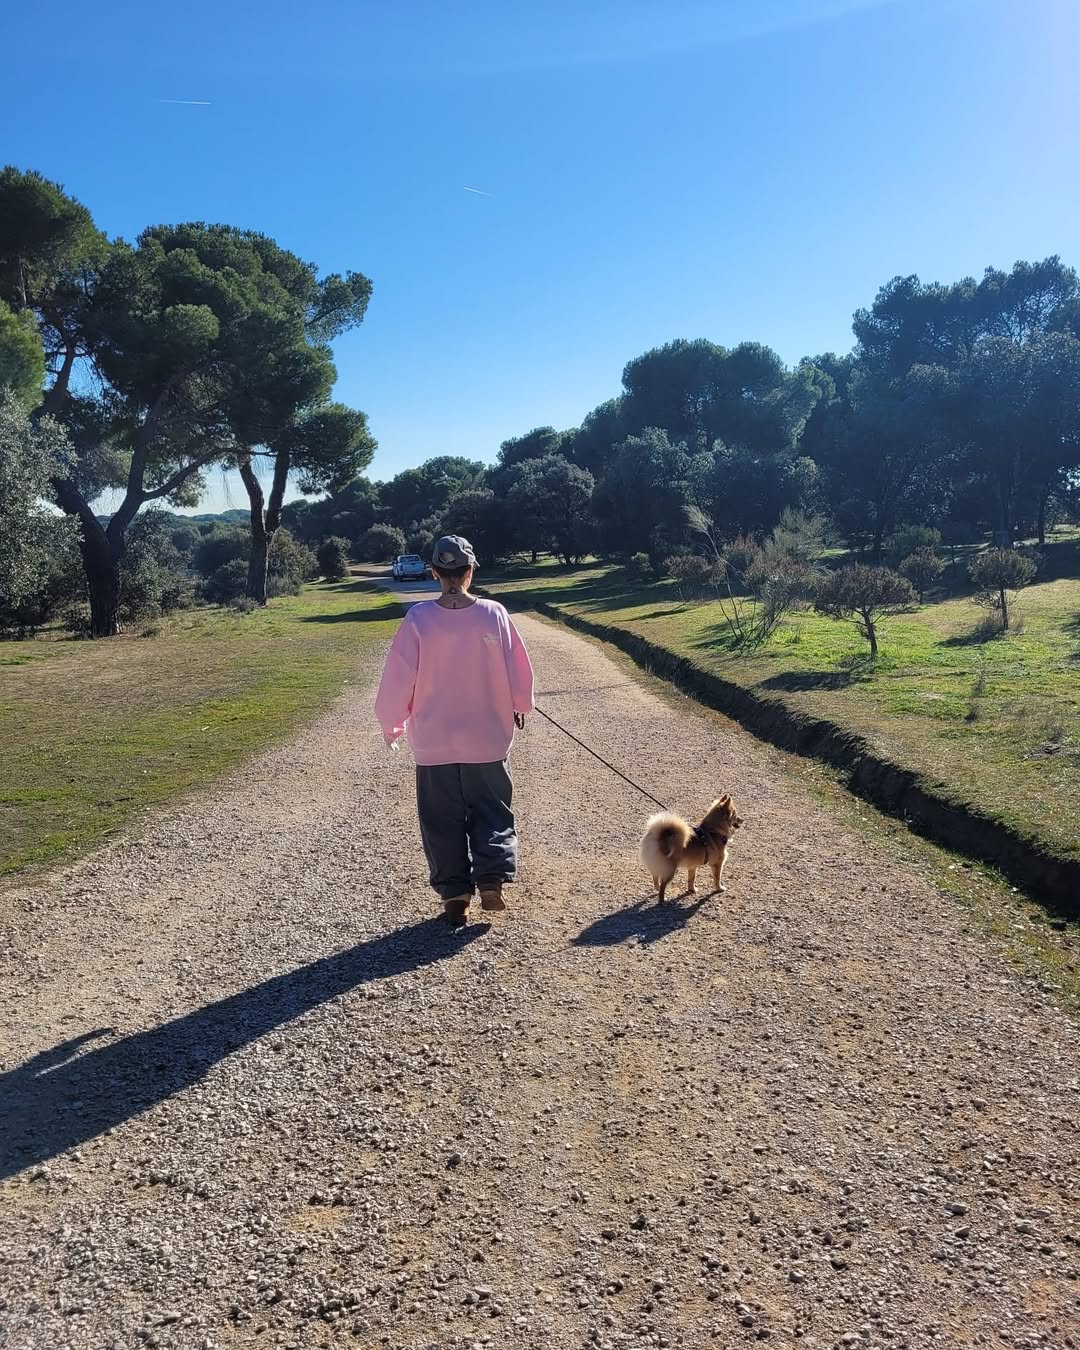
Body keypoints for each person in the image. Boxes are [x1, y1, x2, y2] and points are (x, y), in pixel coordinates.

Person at [374, 534, 535, 924]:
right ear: (470, 571)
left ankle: (455, 893)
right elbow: (519, 670)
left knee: (440, 819)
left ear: (434, 572)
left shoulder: (418, 620)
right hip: (488, 739)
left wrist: (392, 723)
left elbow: (398, 680)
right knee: (493, 811)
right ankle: (492, 879)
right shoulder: (494, 613)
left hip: (434, 744)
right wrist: (520, 705)